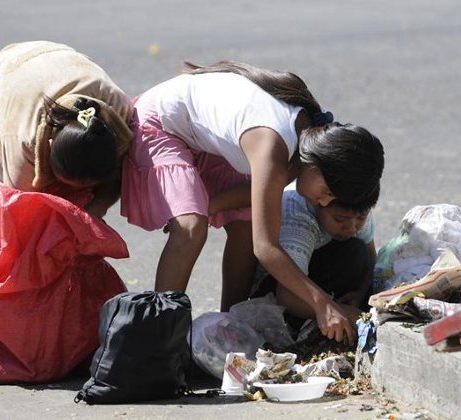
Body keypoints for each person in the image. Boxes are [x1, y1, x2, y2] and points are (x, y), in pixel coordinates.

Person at [121, 61, 384, 342]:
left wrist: (213, 204)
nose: (326, 202)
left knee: (246, 223)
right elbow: (266, 248)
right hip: (160, 124)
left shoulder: (307, 141)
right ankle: (157, 339)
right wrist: (323, 305)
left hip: (208, 139)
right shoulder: (273, 147)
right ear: (318, 167)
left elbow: (260, 196)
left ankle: (224, 329)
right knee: (191, 228)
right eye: (330, 191)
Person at [0, 41, 135, 217]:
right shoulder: (22, 139)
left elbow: (117, 176)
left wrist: (94, 211)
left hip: (50, 60)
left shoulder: (120, 111)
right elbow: (18, 213)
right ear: (50, 146)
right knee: (28, 211)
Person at [251, 185, 377, 334]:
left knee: (357, 250)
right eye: (339, 219)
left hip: (318, 274)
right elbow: (286, 297)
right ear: (318, 202)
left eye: (361, 218)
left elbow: (371, 261)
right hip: (277, 287)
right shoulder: (299, 222)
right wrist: (340, 311)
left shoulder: (357, 208)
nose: (350, 227)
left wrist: (359, 294)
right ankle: (308, 323)